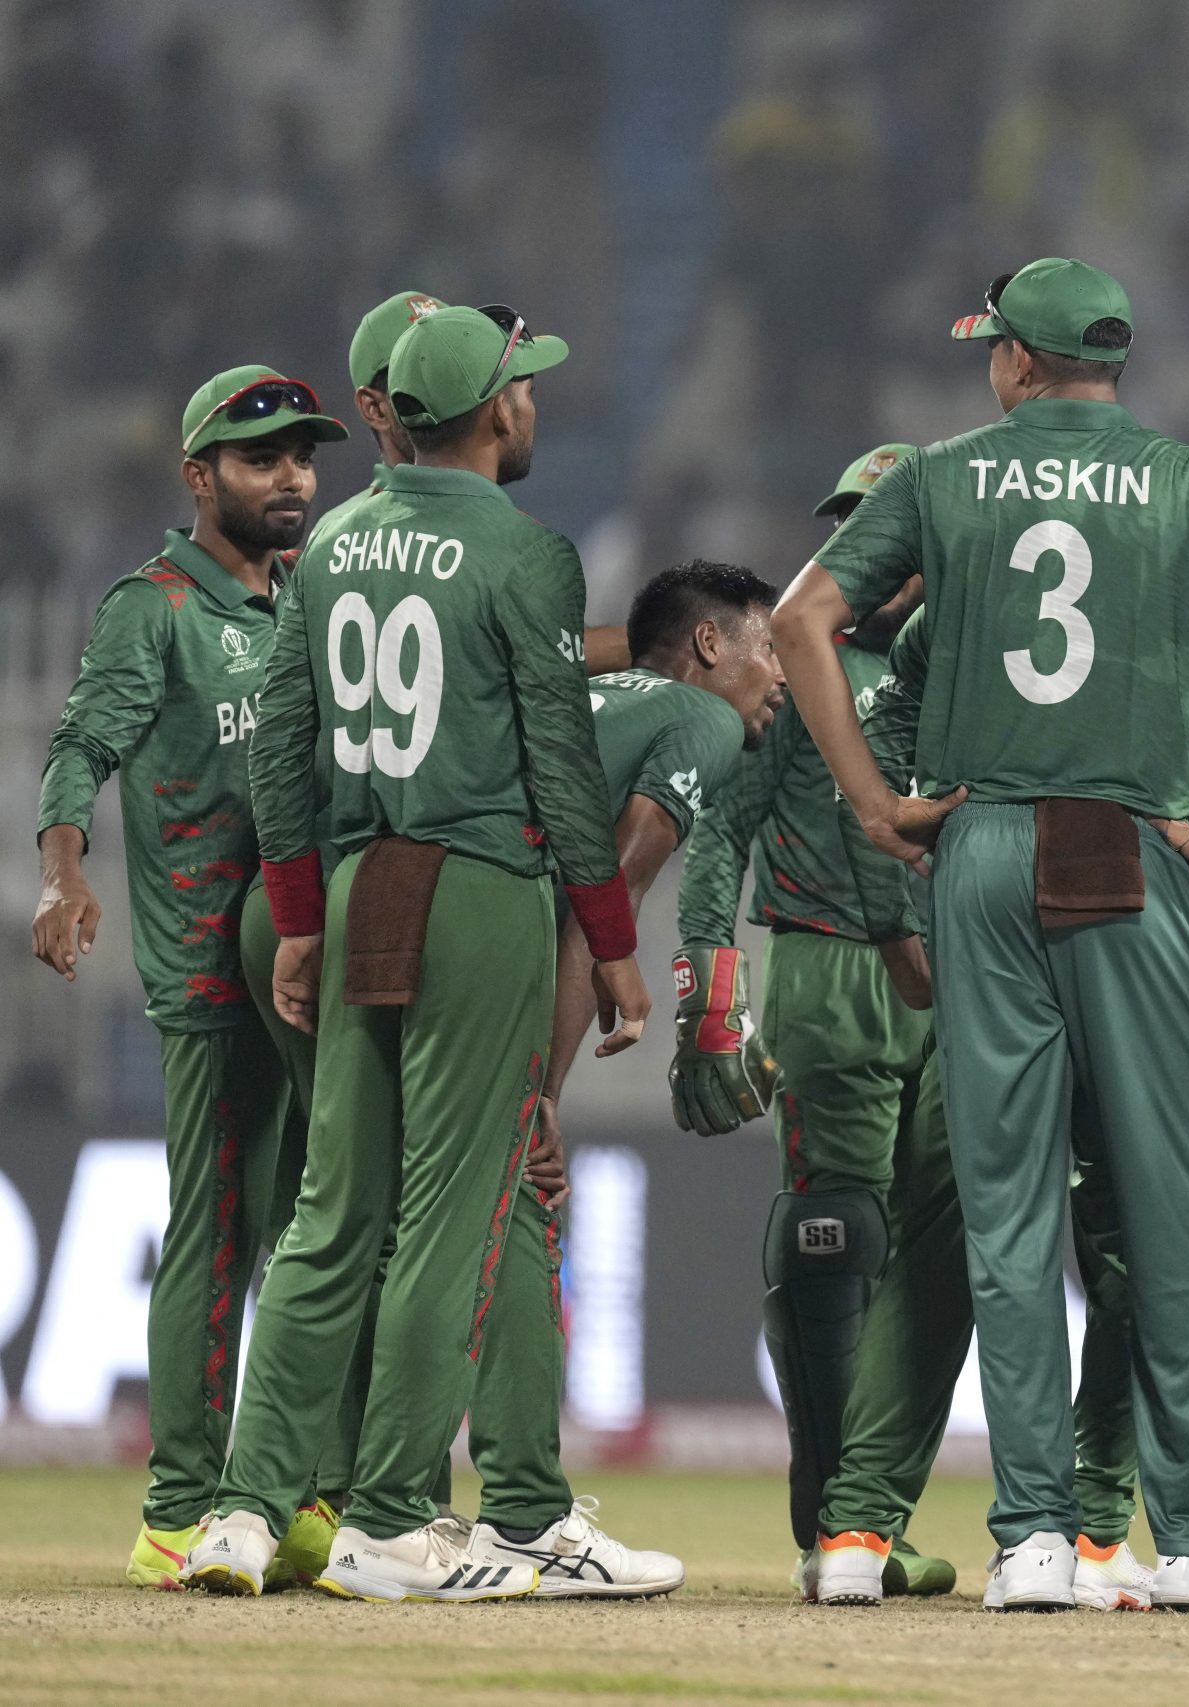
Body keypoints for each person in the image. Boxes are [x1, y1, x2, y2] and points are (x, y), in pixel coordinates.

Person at [767, 257, 1189, 1612]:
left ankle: (1029, 1542)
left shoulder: (941, 473)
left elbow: (798, 623)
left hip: (985, 843)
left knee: (1004, 1211)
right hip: (1133, 849)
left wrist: (876, 800)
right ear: (1109, 366)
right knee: (1162, 1207)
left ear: (1016, 362)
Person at [784, 569, 1189, 1613]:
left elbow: (873, 743)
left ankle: (863, 1524)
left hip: (993, 937)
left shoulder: (971, 611)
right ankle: (1102, 1531)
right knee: (1139, 1233)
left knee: (954, 1234)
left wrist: (931, 843)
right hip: (1137, 931)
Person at [186, 302, 649, 1602]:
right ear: (493, 411)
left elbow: (284, 744)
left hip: (354, 873)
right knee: (458, 1206)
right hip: (481, 886)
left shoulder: (331, 539)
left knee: (332, 1210)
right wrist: (610, 941)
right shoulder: (527, 555)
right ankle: (393, 1514)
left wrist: (301, 911)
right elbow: (562, 766)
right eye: (524, 386)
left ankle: (241, 1505)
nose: (535, 402)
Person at [31, 366, 347, 1590]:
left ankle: (291, 1492)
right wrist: (63, 878)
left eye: (303, 457)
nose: (292, 479)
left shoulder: (316, 603)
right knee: (223, 1235)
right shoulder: (151, 608)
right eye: (262, 458)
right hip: (214, 977)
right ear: (198, 477)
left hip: (317, 965)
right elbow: (80, 746)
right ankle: (177, 1506)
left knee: (321, 1228)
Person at [668, 444, 962, 1603]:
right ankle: (831, 1525)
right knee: (839, 1239)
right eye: (849, 525)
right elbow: (720, 828)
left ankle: (872, 1520)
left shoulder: (966, 668)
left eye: (884, 526)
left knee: (926, 1256)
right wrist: (706, 981)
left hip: (954, 984)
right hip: (831, 972)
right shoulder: (801, 672)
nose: (867, 549)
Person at [456, 559, 783, 1597]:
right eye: (765, 647)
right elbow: (600, 895)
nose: (779, 674)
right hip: (489, 952)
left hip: (378, 908)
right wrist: (538, 1099)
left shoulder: (575, 696)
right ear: (707, 647)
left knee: (382, 1217)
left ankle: (361, 1502)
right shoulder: (703, 723)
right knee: (518, 1203)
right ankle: (523, 1517)